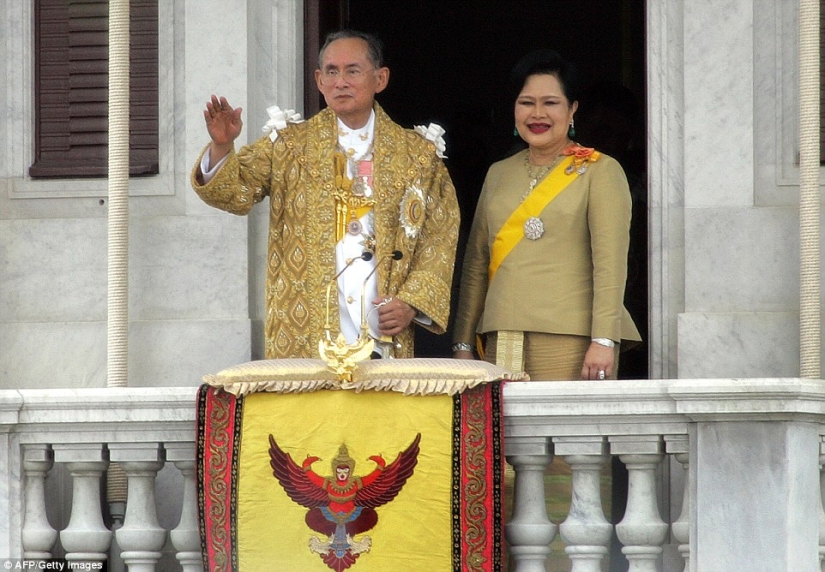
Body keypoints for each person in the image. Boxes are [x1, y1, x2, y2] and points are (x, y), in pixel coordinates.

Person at [191, 30, 459, 359]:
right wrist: (222, 146)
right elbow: (234, 193)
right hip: (303, 333)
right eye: (331, 71)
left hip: (381, 331)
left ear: (381, 78)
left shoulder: (418, 155)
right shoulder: (288, 145)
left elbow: (440, 236)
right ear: (319, 80)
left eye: (353, 70)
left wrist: (411, 302)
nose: (340, 81)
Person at [451, 50, 641, 381]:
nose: (537, 113)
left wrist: (604, 339)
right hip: (501, 337)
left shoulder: (600, 170)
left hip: (572, 339)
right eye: (527, 103)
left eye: (550, 103)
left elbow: (611, 265)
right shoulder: (498, 173)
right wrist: (463, 343)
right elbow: (476, 265)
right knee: (501, 433)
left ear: (572, 110)